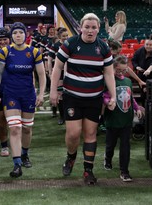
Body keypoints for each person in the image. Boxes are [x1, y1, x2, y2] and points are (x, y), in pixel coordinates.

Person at [50, 13, 116, 185]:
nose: (90, 30)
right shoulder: (70, 43)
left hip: (94, 99)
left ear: (98, 29)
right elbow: (57, 68)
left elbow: (109, 73)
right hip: (72, 98)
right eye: (87, 27)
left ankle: (88, 171)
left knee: (91, 133)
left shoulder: (103, 47)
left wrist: (113, 95)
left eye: (94, 27)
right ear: (80, 28)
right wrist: (53, 91)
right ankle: (71, 157)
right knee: (73, 134)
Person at [0, 22, 46, 178]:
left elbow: (41, 74)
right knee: (15, 128)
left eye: (20, 32)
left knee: (27, 128)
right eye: (15, 33)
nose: (18, 35)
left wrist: (41, 94)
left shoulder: (34, 52)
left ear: (25, 35)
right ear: (12, 36)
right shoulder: (5, 52)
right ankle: (16, 165)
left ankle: (25, 154)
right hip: (11, 95)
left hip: (28, 95)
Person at [103, 55, 143, 182]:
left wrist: (137, 108)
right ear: (113, 68)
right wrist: (108, 102)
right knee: (110, 145)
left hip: (126, 118)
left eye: (124, 70)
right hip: (113, 118)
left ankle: (124, 171)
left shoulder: (128, 81)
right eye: (119, 70)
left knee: (125, 145)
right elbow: (103, 95)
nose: (121, 73)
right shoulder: (108, 80)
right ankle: (107, 159)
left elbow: (131, 98)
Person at [0, 29, 11, 157]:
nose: (3, 42)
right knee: (0, 120)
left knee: (15, 121)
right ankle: (4, 146)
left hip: (13, 90)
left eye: (5, 39)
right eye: (0, 40)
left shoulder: (16, 51)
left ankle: (18, 144)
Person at [48, 27, 69, 125]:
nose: (65, 38)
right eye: (63, 36)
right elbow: (49, 58)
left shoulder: (70, 45)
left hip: (69, 73)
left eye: (66, 36)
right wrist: (50, 72)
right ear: (59, 36)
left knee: (68, 95)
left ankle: (68, 115)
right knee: (60, 95)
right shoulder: (55, 45)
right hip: (59, 73)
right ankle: (62, 116)